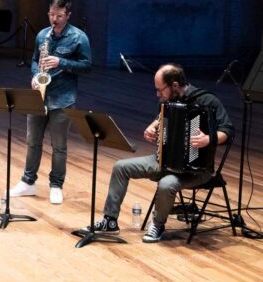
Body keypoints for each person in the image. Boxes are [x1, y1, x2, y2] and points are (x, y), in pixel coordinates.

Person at [82, 63, 234, 243]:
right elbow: (161, 117)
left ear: (174, 85)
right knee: (121, 167)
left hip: (196, 171)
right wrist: (152, 127)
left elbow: (228, 130)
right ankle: (110, 221)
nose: (157, 94)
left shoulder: (207, 100)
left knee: (166, 183)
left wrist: (208, 139)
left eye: (160, 89)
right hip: (163, 161)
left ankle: (158, 224)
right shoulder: (167, 101)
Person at [8, 0, 92, 204]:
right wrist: (35, 75)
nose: (54, 19)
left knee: (59, 146)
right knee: (32, 142)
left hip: (63, 98)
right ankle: (28, 182)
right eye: (51, 14)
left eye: (59, 16)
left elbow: (87, 66)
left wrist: (60, 62)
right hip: (40, 96)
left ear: (68, 15)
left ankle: (56, 185)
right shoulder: (42, 35)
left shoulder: (79, 37)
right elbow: (35, 60)